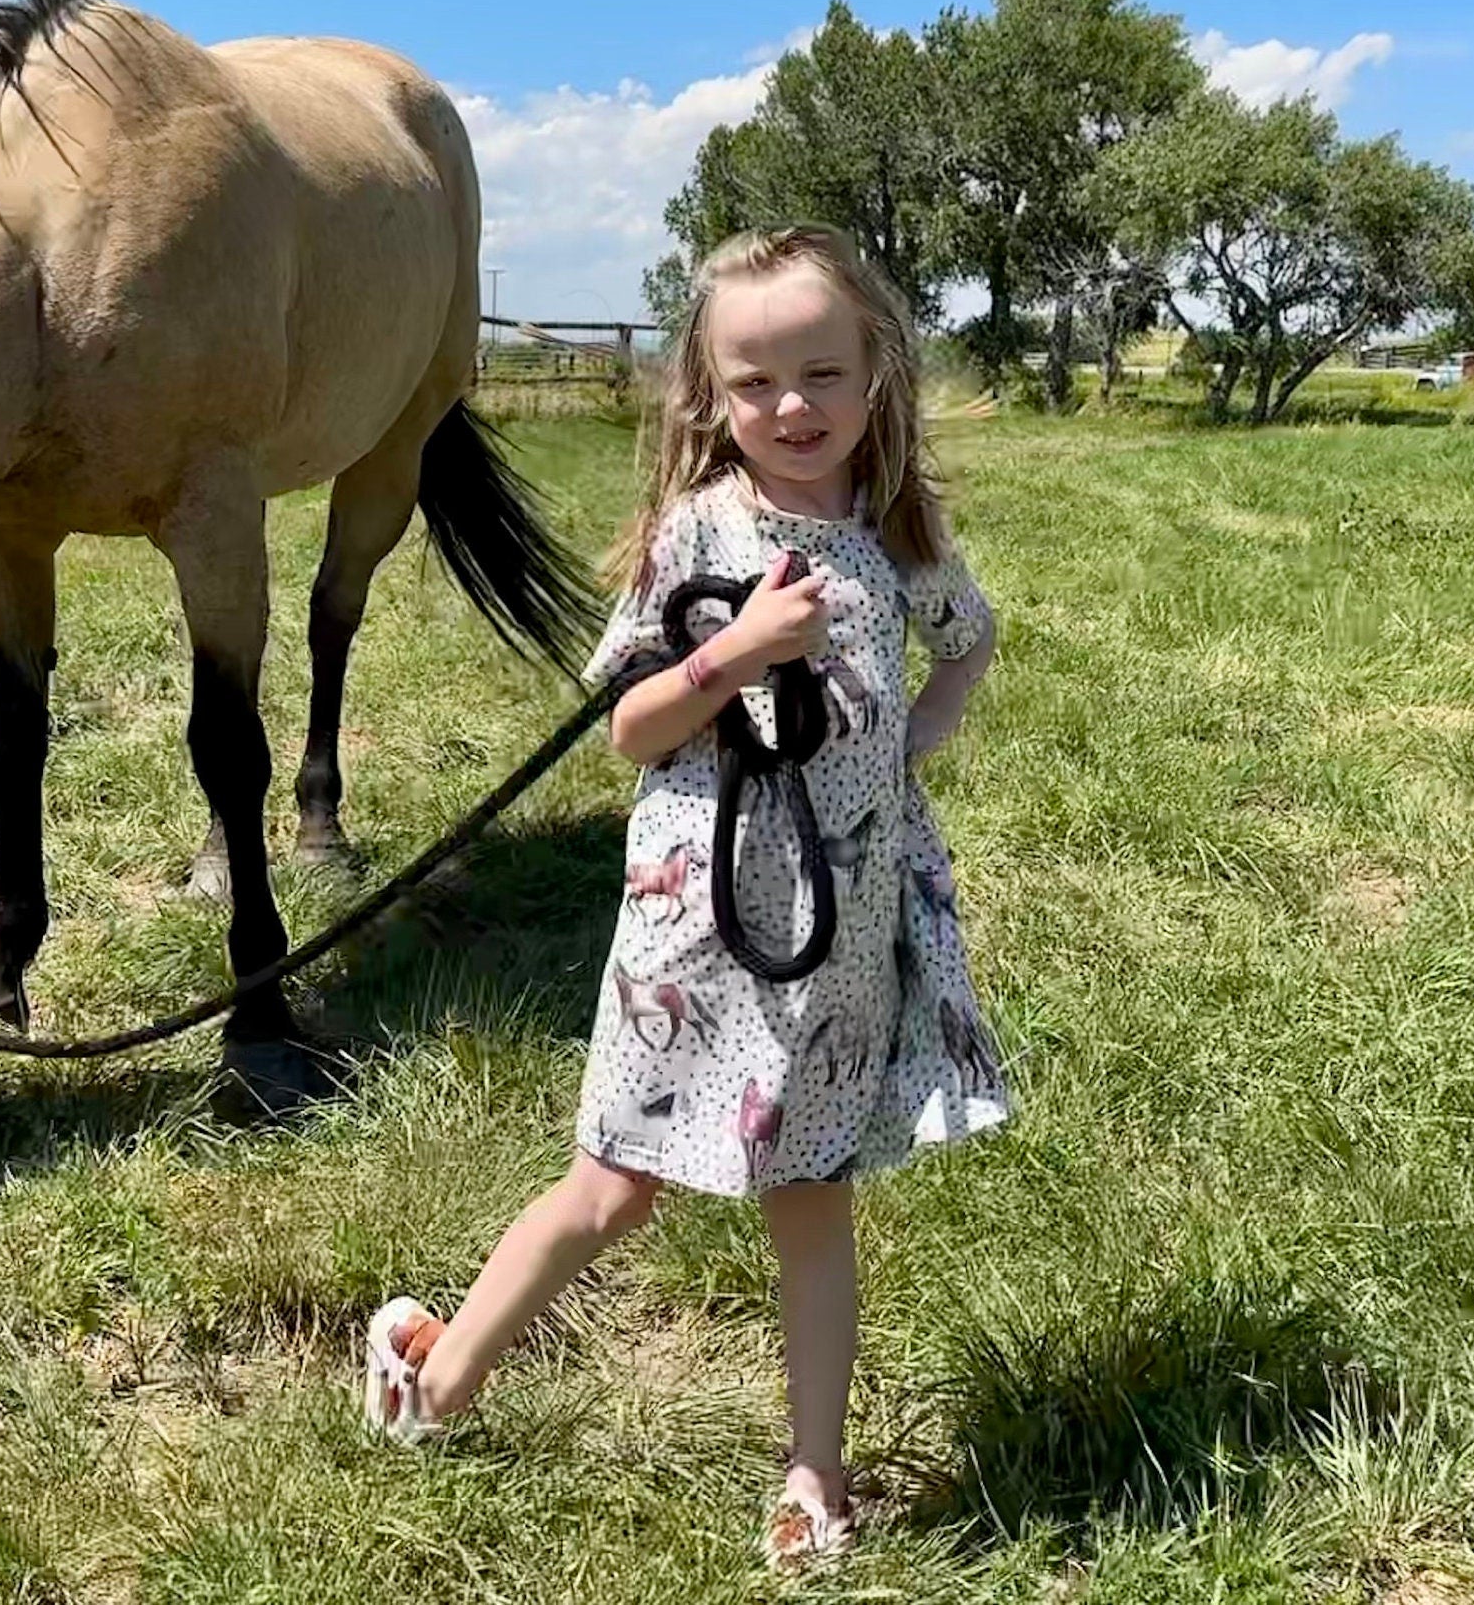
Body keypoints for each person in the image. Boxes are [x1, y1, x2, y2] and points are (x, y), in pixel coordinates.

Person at [359, 224, 1011, 1570]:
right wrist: (742, 652)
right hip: (693, 930)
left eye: (823, 372)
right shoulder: (699, 530)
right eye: (756, 380)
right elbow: (633, 726)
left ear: (877, 373)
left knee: (812, 1200)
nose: (792, 407)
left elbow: (970, 637)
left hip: (835, 940)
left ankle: (813, 1475)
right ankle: (435, 1371)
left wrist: (909, 743)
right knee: (612, 1189)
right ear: (707, 393)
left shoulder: (896, 531)